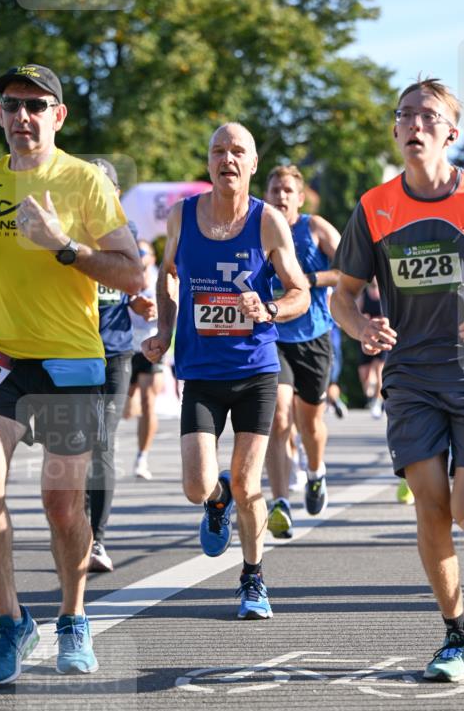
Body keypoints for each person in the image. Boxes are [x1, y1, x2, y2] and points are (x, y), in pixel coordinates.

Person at [331, 77, 464, 682]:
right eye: (406, 116)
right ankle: (456, 636)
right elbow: (344, 295)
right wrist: (361, 327)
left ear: (451, 133)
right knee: (430, 505)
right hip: (410, 379)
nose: (415, 125)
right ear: (396, 130)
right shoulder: (375, 206)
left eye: (428, 116)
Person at [0, 63, 144, 684]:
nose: (21, 116)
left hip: (70, 360)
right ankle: (10, 620)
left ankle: (73, 616)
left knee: (61, 504)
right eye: (10, 104)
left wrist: (64, 245)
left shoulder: (84, 181)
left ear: (58, 116)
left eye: (34, 105)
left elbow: (131, 273)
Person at [142, 123, 309, 619]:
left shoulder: (268, 222)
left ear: (253, 164)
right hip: (200, 372)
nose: (227, 159)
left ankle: (253, 579)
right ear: (209, 161)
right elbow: (167, 276)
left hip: (256, 369)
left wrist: (270, 309)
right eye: (218, 150)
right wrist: (164, 331)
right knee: (196, 485)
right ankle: (217, 503)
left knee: (248, 481)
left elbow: (300, 292)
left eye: (238, 151)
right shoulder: (182, 215)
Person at [84, 160, 155, 571]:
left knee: (102, 442)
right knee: (73, 445)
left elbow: (132, 282)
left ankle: (96, 540)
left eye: (103, 186)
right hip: (71, 351)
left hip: (115, 352)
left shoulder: (125, 232)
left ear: (115, 192)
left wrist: (138, 302)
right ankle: (75, 530)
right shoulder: (69, 229)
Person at [263, 165, 341, 539]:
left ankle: (315, 471)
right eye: (274, 190)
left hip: (313, 336)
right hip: (272, 334)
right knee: (279, 416)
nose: (280, 196)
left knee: (309, 423)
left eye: (287, 190)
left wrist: (308, 280)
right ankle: (280, 502)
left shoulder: (315, 228)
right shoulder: (258, 228)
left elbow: (349, 271)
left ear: (299, 197)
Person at [125, 239, 164, 480]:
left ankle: (142, 458)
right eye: (135, 252)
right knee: (125, 408)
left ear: (152, 257)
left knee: (149, 401)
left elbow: (174, 308)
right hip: (126, 347)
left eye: (142, 252)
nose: (139, 256)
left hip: (151, 345)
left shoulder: (162, 278)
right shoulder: (123, 276)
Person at [357, 279, 387, 419]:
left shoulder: (384, 293)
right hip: (367, 337)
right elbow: (357, 314)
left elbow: (390, 315)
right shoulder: (363, 295)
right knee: (364, 374)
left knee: (378, 369)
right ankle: (373, 396)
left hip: (382, 337)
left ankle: (377, 402)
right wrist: (364, 319)